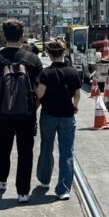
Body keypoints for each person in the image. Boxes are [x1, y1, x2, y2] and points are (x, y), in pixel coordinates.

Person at [0, 19, 43, 203]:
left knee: (3, 147)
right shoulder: (33, 59)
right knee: (25, 151)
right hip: (27, 114)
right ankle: (23, 192)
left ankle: (1, 180)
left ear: (4, 36)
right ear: (22, 36)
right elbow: (39, 90)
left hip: (2, 113)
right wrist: (35, 107)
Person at [35, 39, 80, 201]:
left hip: (49, 115)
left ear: (48, 54)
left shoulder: (45, 73)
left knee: (46, 147)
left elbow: (40, 94)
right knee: (67, 152)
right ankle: (63, 189)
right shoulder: (73, 72)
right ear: (64, 52)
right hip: (68, 116)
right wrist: (75, 106)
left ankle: (45, 180)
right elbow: (77, 94)